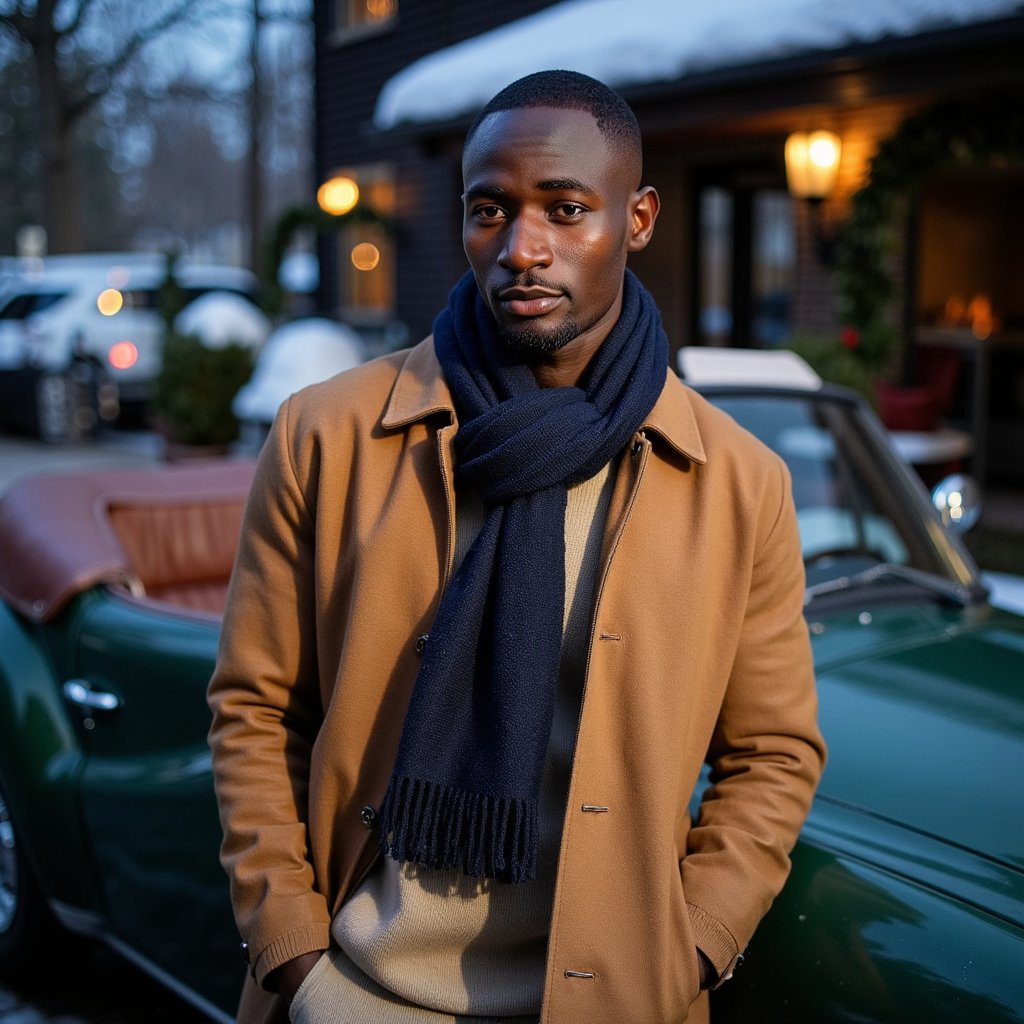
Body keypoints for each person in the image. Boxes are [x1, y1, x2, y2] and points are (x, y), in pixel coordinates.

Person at [208, 69, 826, 1024]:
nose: (521, 250)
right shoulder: (326, 437)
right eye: (489, 210)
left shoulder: (739, 482)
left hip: (613, 1004)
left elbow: (773, 753)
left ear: (638, 219)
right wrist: (295, 957)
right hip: (353, 992)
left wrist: (693, 948)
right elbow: (255, 710)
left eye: (566, 210)